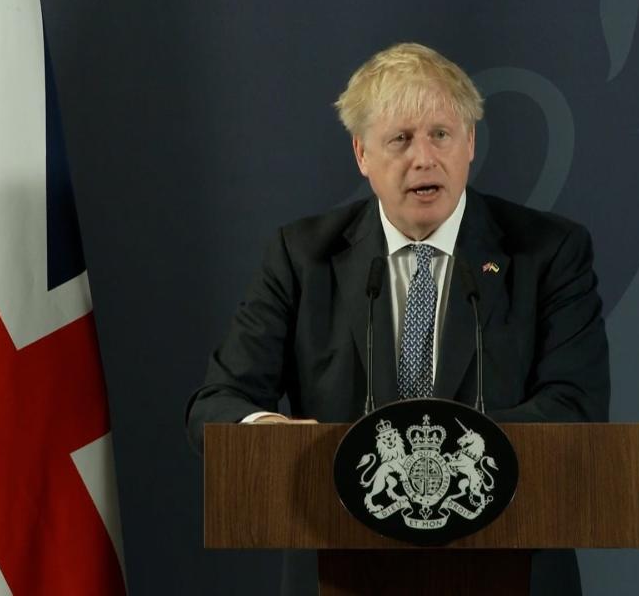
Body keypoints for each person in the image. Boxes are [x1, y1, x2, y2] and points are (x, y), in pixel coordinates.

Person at [186, 42, 609, 596]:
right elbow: (217, 404)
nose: (424, 158)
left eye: (441, 134)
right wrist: (269, 436)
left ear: (470, 144)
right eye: (401, 139)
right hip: (341, 573)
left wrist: (439, 458)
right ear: (362, 154)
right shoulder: (302, 257)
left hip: (511, 569)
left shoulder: (549, 252)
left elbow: (574, 408)